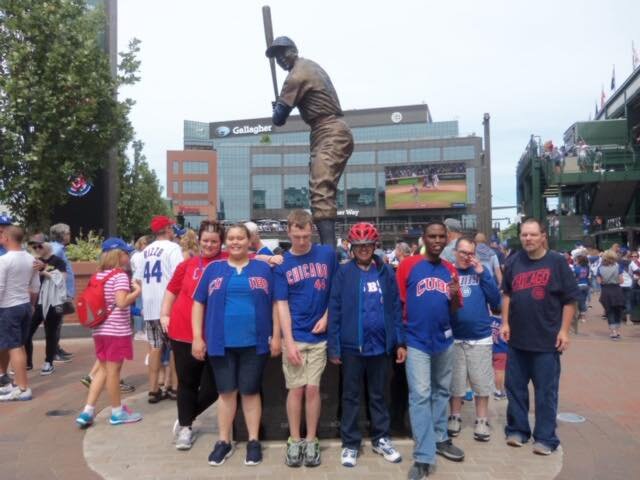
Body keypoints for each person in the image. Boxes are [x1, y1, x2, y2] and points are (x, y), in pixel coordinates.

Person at [191, 223, 278, 467]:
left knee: (250, 392)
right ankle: (223, 442)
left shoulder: (263, 268)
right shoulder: (213, 269)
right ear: (225, 242)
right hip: (221, 343)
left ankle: (252, 441)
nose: (236, 242)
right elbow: (198, 303)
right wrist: (197, 337)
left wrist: (277, 336)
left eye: (241, 237)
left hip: (255, 342)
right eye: (231, 238)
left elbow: (275, 303)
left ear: (249, 241)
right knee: (226, 393)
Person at [328, 223, 404, 468]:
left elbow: (395, 308)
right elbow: (335, 310)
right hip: (352, 348)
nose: (363, 249)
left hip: (380, 347)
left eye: (368, 245)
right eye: (359, 246)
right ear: (351, 247)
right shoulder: (343, 273)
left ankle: (381, 438)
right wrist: (334, 346)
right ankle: (350, 443)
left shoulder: (386, 272)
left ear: (374, 246)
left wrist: (399, 341)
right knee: (350, 397)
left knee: (378, 396)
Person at [500, 218, 578, 455]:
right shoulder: (514, 262)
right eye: (524, 235)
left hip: (546, 340)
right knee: (515, 389)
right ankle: (517, 430)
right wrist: (504, 322)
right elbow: (507, 294)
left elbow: (570, 299)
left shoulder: (557, 262)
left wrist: (564, 330)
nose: (528, 239)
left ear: (543, 236)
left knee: (545, 392)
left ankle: (545, 437)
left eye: (533, 235)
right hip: (517, 340)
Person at [266, 37, 354, 246]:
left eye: (283, 53)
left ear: (294, 50)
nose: (280, 59)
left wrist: (278, 106)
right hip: (327, 130)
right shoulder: (311, 65)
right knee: (321, 189)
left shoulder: (296, 75)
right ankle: (328, 249)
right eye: (277, 57)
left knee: (320, 190)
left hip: (329, 131)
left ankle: (329, 254)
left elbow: (279, 119)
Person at [396, 221, 464, 480]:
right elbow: (398, 304)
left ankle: (439, 437)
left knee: (441, 391)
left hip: (444, 339)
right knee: (421, 395)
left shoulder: (450, 269)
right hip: (416, 340)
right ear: (424, 238)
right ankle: (424, 455)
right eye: (432, 236)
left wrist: (456, 296)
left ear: (446, 240)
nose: (437, 240)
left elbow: (455, 308)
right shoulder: (407, 265)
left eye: (441, 237)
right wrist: (400, 341)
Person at [273, 209, 337, 467]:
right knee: (295, 389)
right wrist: (287, 341)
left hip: (319, 335)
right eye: (296, 235)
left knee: (313, 389)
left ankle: (311, 439)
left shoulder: (327, 254)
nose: (301, 240)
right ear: (288, 231)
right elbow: (281, 304)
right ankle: (294, 439)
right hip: (296, 335)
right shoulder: (282, 263)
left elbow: (337, 290)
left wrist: (329, 316)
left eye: (305, 234)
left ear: (311, 228)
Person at [160, 221, 225, 450]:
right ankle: (186, 428)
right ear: (199, 240)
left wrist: (273, 259)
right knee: (187, 382)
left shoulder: (228, 260)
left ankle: (187, 415)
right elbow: (171, 291)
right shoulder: (186, 266)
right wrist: (164, 314)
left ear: (221, 242)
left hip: (216, 335)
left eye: (214, 241)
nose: (209, 245)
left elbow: (254, 258)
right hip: (183, 331)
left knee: (214, 388)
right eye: (205, 240)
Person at [75, 238, 142, 427]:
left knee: (102, 371)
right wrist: (137, 291)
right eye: (126, 253)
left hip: (99, 329)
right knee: (113, 372)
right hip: (116, 330)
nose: (128, 256)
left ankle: (87, 411)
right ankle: (117, 412)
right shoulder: (119, 276)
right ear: (118, 255)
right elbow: (121, 302)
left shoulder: (98, 275)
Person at [448, 237, 501, 443]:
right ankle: (455, 415)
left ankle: (481, 419)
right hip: (455, 336)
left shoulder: (481, 272)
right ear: (455, 252)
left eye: (470, 253)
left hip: (479, 336)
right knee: (456, 382)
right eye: (462, 252)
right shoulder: (448, 272)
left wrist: (482, 273)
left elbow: (495, 301)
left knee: (481, 382)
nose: (466, 257)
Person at [133, 215, 184, 403]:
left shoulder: (145, 250)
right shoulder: (173, 248)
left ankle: (153, 390)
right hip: (168, 306)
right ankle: (174, 387)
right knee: (175, 348)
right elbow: (180, 275)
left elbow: (137, 279)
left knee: (155, 348)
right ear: (168, 229)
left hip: (150, 305)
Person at [0, 226, 40, 401]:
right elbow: (35, 286)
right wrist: (31, 305)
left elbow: (0, 288)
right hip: (24, 305)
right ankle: (13, 384)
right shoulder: (31, 258)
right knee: (17, 345)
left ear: (7, 238)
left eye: (2, 234)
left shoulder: (4, 261)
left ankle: (22, 388)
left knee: (14, 346)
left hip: (8, 307)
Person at [24, 237, 67, 375]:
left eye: (39, 246)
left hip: (53, 302)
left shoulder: (58, 261)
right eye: (34, 247)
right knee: (26, 332)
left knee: (51, 333)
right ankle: (27, 362)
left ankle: (49, 362)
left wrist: (44, 270)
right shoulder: (32, 261)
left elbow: (62, 279)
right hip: (37, 302)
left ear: (48, 245)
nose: (37, 249)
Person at [49, 223, 75, 361]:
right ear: (62, 235)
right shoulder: (56, 250)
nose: (69, 235)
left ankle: (55, 348)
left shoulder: (58, 249)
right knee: (56, 322)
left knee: (58, 321)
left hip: (61, 291)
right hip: (58, 292)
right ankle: (52, 352)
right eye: (68, 233)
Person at [597, 250, 625, 339]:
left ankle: (613, 332)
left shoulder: (600, 268)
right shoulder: (617, 267)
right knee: (618, 310)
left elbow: (599, 281)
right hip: (616, 290)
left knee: (609, 311)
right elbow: (621, 280)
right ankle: (617, 330)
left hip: (606, 290)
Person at [573, 255, 591, 323]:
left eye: (576, 260)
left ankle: (582, 316)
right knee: (583, 300)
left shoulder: (576, 268)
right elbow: (587, 276)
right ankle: (581, 315)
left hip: (578, 285)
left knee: (578, 302)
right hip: (586, 285)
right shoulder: (587, 267)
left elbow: (574, 277)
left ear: (579, 261)